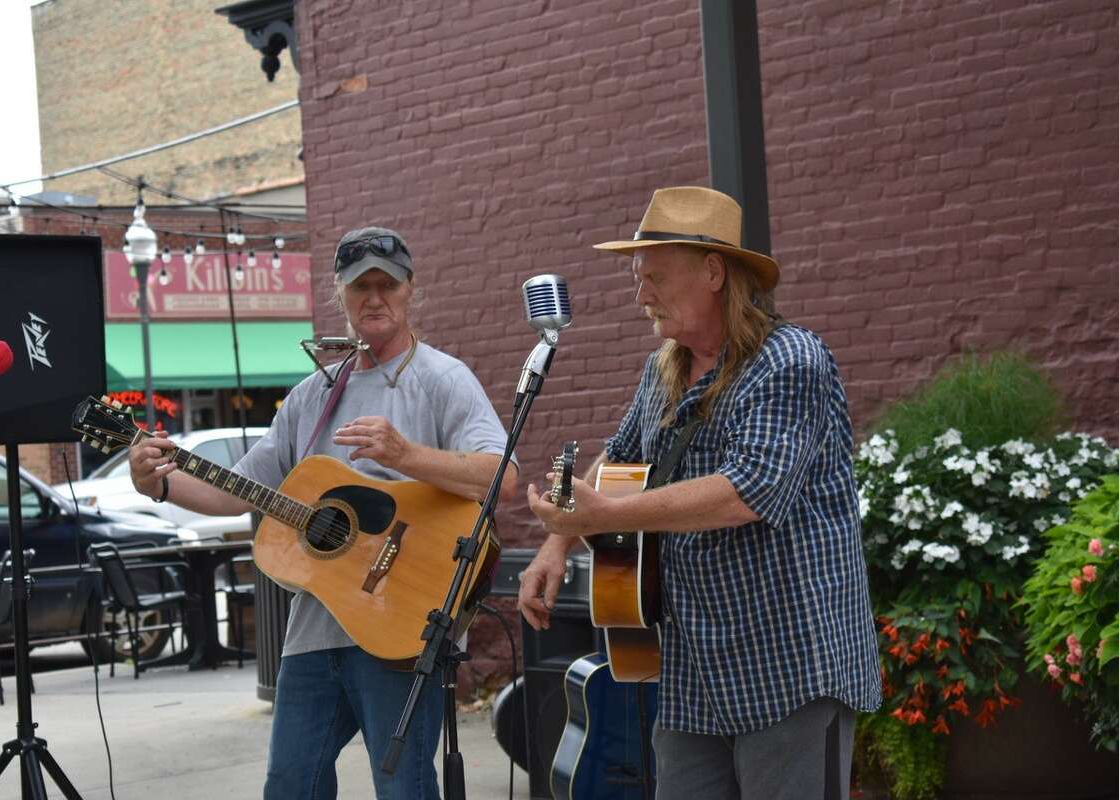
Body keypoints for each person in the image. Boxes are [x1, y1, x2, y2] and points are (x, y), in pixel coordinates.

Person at [128, 226, 519, 799]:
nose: (375, 298)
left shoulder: (441, 379)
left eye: (387, 284)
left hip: (398, 627)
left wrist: (405, 454)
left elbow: (502, 477)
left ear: (410, 290)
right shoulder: (314, 396)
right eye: (361, 286)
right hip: (313, 635)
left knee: (403, 789)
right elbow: (241, 489)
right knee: (290, 786)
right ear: (341, 295)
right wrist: (158, 485)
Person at [518, 187, 881, 798]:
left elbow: (747, 490)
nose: (641, 295)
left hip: (790, 659)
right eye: (639, 279)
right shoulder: (663, 368)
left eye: (655, 277)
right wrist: (557, 540)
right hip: (695, 667)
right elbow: (621, 458)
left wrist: (609, 514)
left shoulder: (788, 359)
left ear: (713, 272)